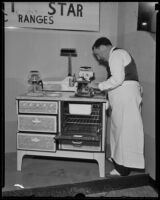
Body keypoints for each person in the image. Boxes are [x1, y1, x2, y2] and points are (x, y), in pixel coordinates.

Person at [91, 37, 145, 176]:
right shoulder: (118, 55)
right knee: (118, 131)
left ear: (103, 47)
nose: (99, 58)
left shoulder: (115, 55)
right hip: (124, 99)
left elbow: (117, 79)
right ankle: (118, 160)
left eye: (98, 54)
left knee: (124, 134)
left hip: (126, 100)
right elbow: (117, 79)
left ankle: (123, 169)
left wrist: (98, 86)